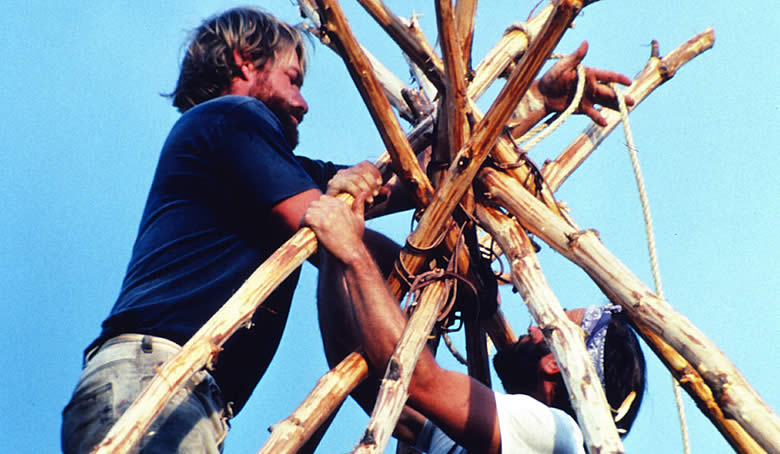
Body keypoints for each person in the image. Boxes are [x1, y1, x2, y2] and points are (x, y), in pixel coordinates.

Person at [61, 4, 637, 452]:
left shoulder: (277, 163)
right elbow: (333, 229)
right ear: (243, 62)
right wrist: (428, 274)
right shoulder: (230, 119)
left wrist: (531, 104)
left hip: (181, 390)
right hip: (156, 378)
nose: (303, 104)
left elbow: (421, 178)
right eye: (293, 79)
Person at [305, 190, 646, 454]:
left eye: (548, 330)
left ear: (556, 363)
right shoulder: (507, 436)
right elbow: (366, 381)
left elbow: (413, 376)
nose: (530, 328)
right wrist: (336, 251)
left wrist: (351, 251)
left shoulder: (559, 434)